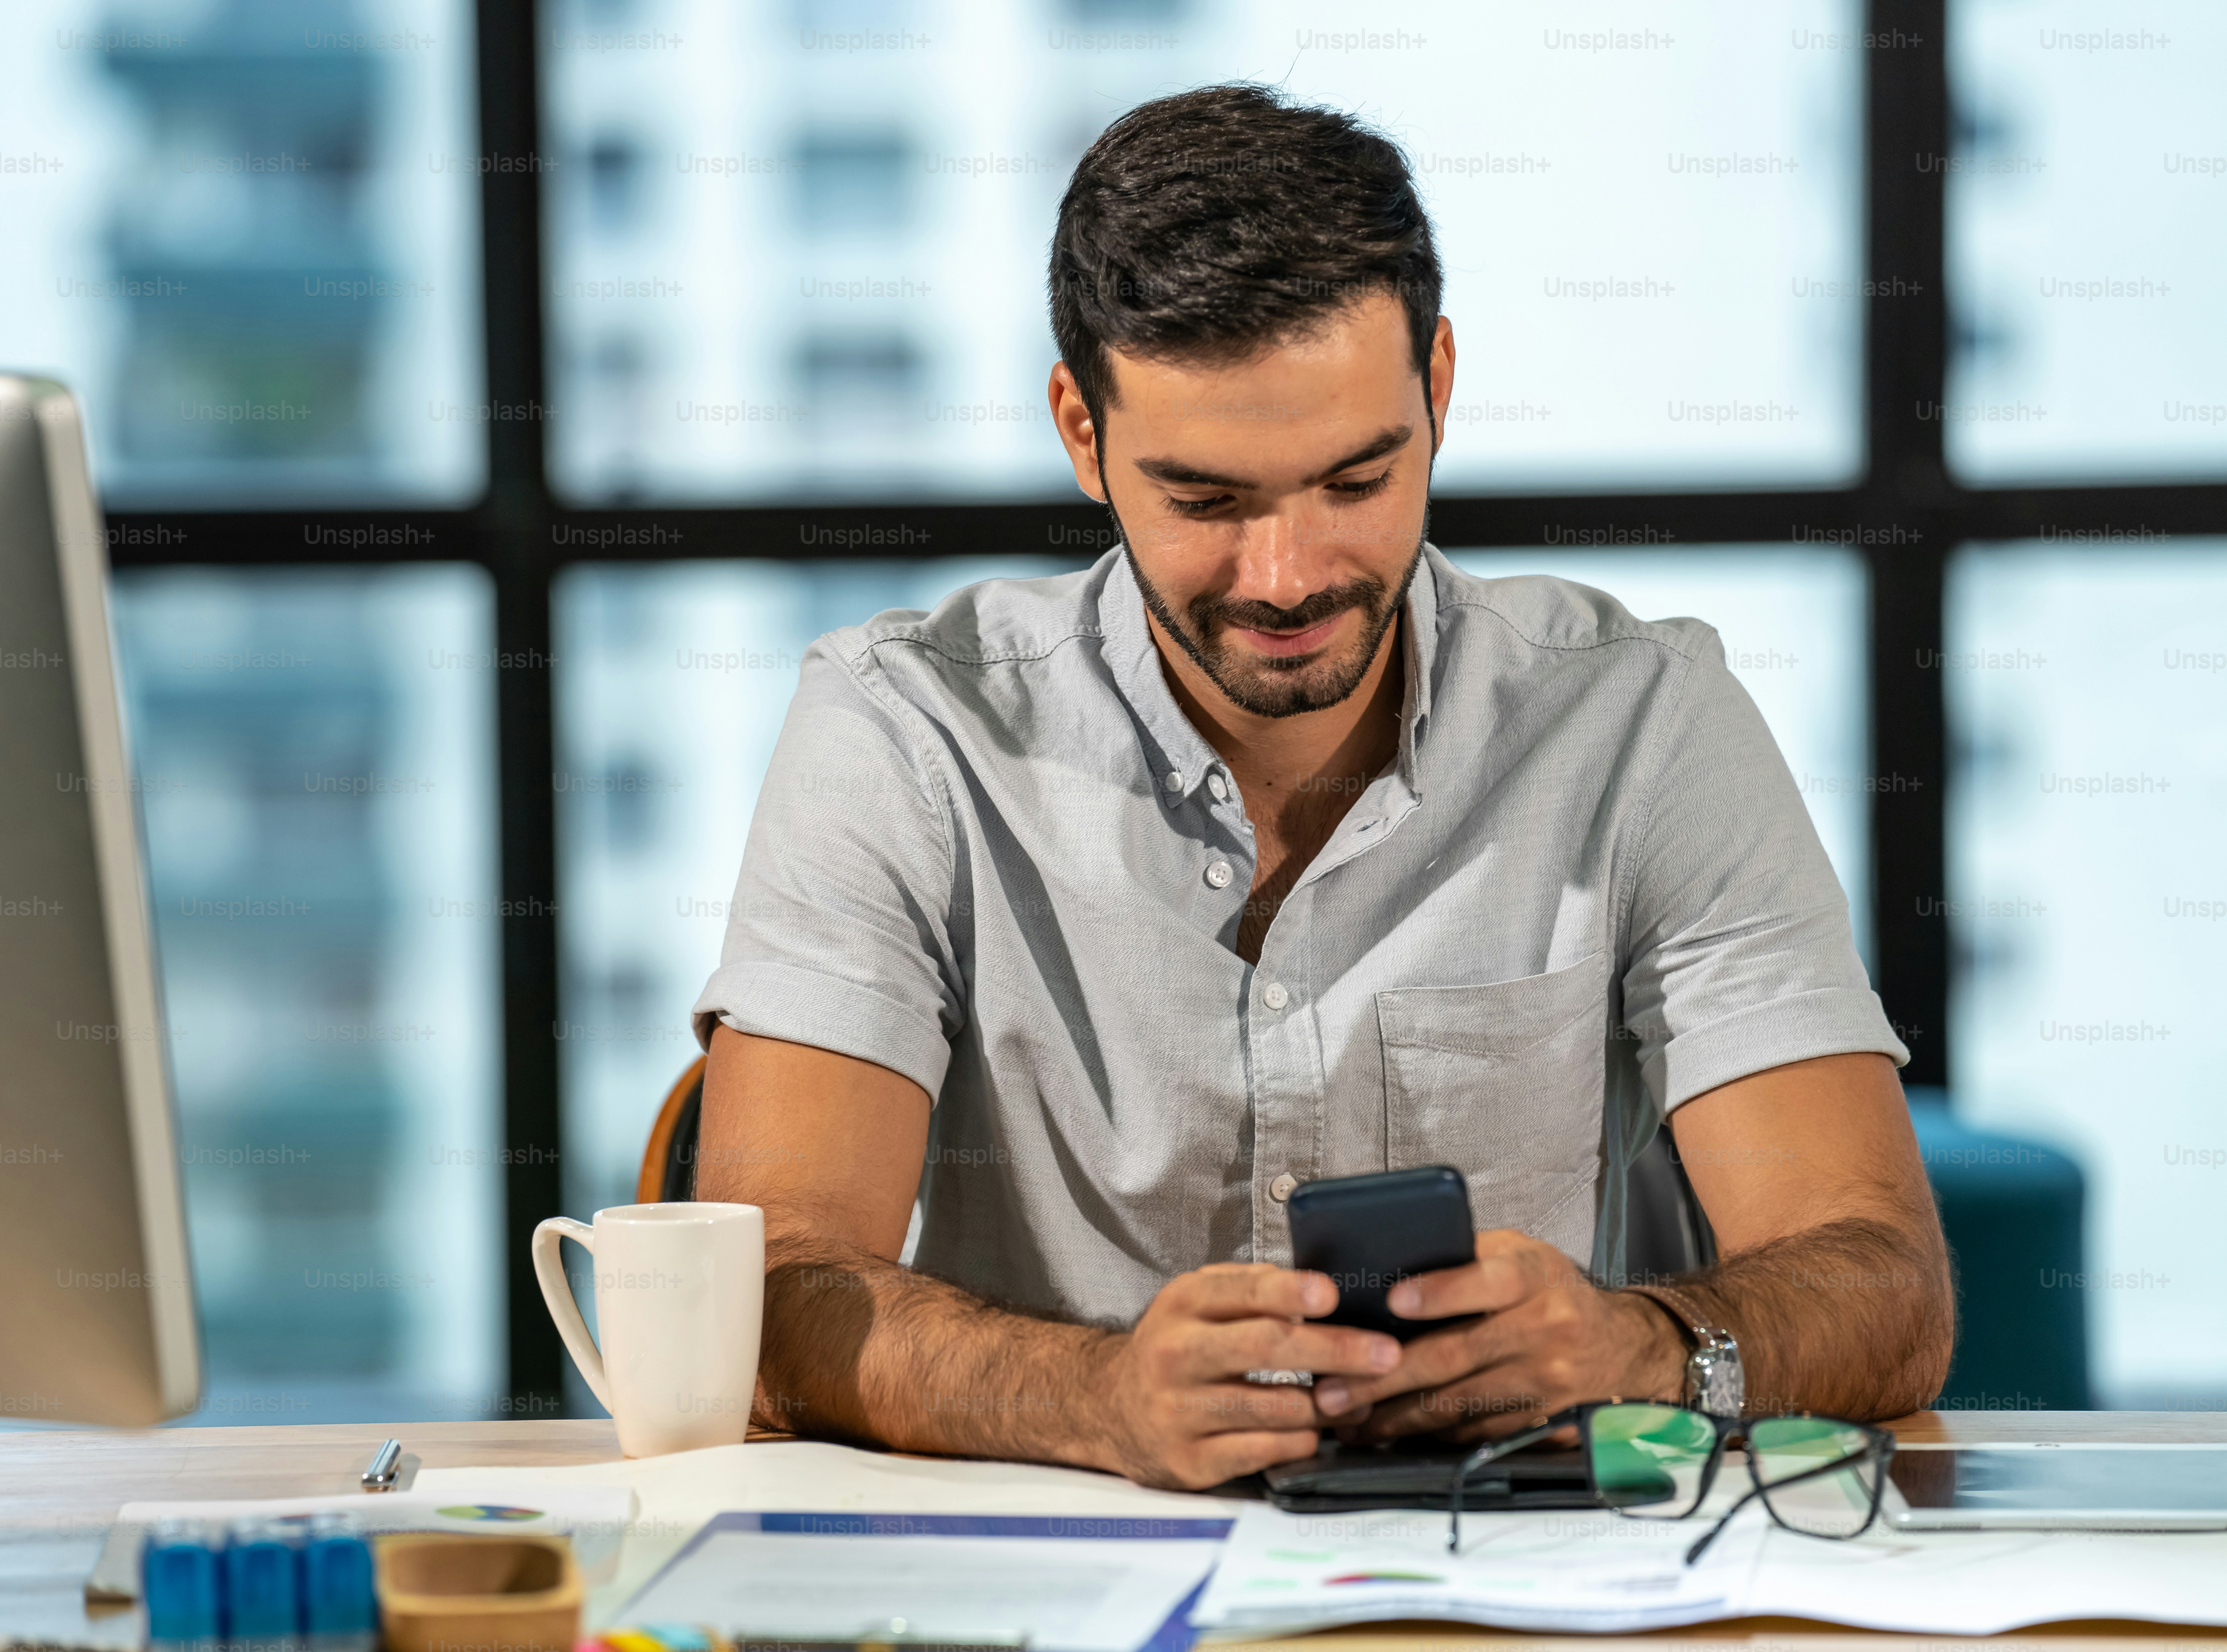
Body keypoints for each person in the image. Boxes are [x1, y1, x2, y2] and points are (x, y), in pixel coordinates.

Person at [690, 83, 1952, 1491]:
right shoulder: (907, 731)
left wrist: (1640, 1350)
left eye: (1356, 480)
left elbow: (1884, 1289)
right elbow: (772, 1293)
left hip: (1509, 1583)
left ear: (1440, 388)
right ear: (1079, 431)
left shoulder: (1642, 722)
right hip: (1055, 1576)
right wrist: (1096, 1398)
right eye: (1207, 501)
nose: (1286, 578)